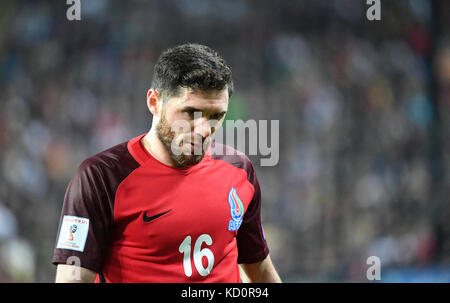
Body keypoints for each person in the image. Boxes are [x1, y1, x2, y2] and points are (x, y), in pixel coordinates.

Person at [53, 43, 281, 283]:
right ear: (154, 102)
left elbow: (260, 268)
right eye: (191, 112)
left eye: (216, 116)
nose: (204, 130)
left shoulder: (239, 170)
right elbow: (73, 279)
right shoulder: (101, 177)